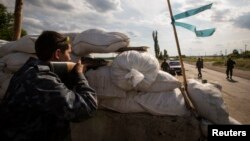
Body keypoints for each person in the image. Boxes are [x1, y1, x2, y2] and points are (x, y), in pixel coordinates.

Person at [0, 31, 97, 141]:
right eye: (68, 53)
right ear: (57, 53)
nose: (70, 58)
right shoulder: (41, 80)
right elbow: (87, 108)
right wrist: (79, 76)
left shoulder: (29, 70)